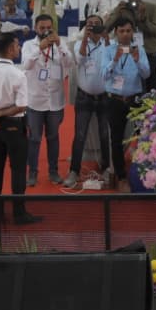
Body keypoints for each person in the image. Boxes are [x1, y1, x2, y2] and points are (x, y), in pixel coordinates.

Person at [0, 33, 42, 224]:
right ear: (9, 49)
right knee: (18, 169)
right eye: (17, 45)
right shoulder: (17, 74)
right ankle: (19, 212)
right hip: (13, 124)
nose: (19, 48)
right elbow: (22, 106)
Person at [100, 16, 149, 190]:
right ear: (115, 33)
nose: (126, 34)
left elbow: (146, 74)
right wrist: (114, 60)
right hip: (115, 100)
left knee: (142, 136)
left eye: (129, 31)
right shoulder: (107, 50)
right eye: (122, 31)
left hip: (134, 99)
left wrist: (137, 60)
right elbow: (104, 75)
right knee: (116, 140)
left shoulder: (139, 49)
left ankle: (142, 172)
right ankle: (121, 177)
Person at [21, 15, 71, 186]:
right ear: (36, 28)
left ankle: (54, 172)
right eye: (42, 28)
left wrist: (59, 45)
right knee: (34, 138)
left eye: (49, 27)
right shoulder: (28, 45)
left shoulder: (60, 43)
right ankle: (32, 173)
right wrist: (39, 49)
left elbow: (70, 63)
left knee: (53, 137)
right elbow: (25, 66)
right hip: (35, 101)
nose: (45, 31)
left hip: (55, 101)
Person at [66, 16, 112, 190]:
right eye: (90, 24)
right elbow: (80, 59)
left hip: (104, 96)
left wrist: (106, 38)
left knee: (104, 135)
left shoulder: (108, 43)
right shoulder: (79, 43)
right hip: (84, 96)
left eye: (97, 24)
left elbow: (111, 60)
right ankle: (74, 171)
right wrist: (85, 38)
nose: (93, 27)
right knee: (79, 135)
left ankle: (107, 168)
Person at [106, 0, 156, 79]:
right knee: (135, 87)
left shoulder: (151, 8)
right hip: (131, 54)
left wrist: (144, 19)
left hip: (150, 54)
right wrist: (117, 13)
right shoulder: (121, 9)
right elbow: (106, 29)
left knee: (152, 89)